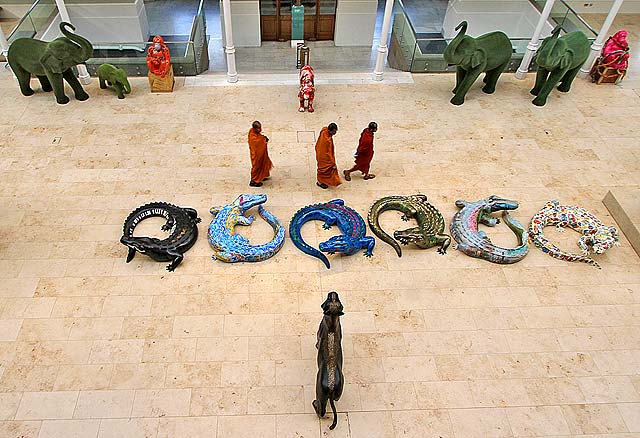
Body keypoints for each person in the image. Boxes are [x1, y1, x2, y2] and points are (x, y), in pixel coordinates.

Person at [315, 123, 341, 189]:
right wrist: (333, 163)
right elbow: (329, 153)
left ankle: (321, 181)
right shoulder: (327, 141)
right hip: (324, 158)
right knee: (324, 170)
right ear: (330, 131)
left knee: (321, 168)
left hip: (319, 152)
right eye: (334, 131)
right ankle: (320, 182)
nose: (335, 133)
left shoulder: (324, 130)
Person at [248, 121, 272, 187]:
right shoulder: (252, 135)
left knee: (263, 164)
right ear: (254, 128)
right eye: (258, 128)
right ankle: (255, 180)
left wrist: (263, 138)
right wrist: (263, 141)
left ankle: (262, 175)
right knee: (257, 166)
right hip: (256, 155)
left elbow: (259, 137)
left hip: (261, 153)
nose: (260, 129)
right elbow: (257, 143)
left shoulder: (255, 133)